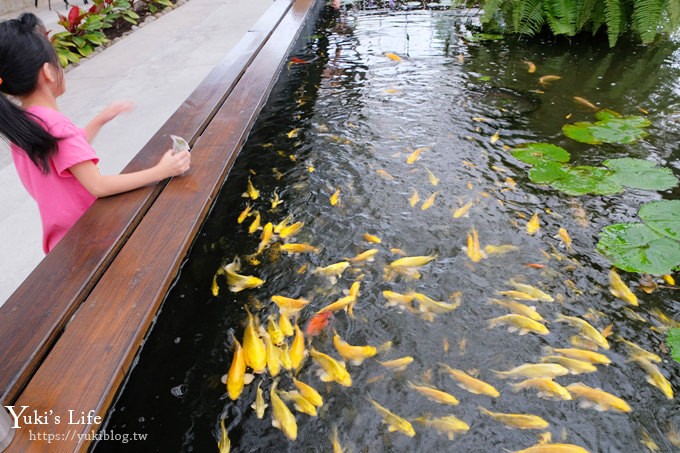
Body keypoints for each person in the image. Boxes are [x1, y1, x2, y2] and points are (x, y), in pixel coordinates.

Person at [0, 13, 191, 254]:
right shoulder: (56, 126)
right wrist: (161, 172)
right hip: (93, 238)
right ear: (48, 72)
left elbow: (66, 157)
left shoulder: (24, 125)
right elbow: (98, 185)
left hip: (63, 243)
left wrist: (100, 119)